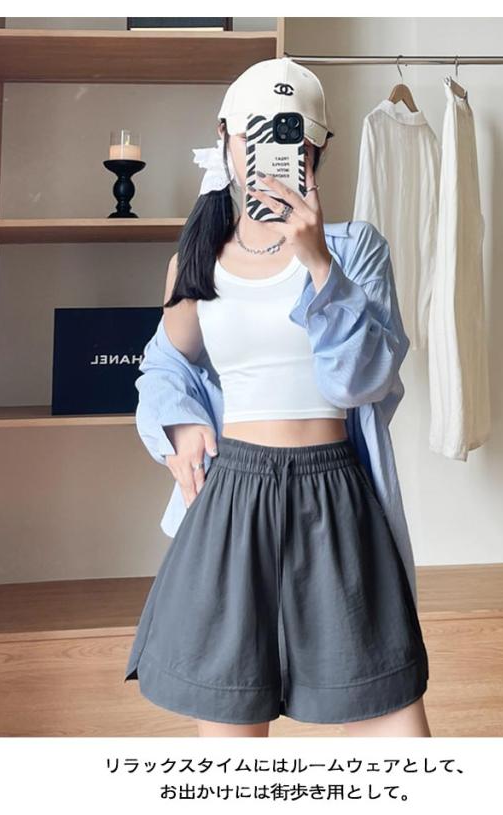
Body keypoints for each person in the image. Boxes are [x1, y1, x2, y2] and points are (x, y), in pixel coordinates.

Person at [125, 57, 431, 738]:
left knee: (393, 727)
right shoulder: (196, 258)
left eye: (293, 137)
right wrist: (177, 426)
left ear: (316, 150)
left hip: (337, 495)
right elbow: (163, 363)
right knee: (232, 740)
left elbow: (361, 381)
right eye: (254, 135)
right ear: (226, 139)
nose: (269, 153)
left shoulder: (355, 250)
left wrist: (318, 262)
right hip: (232, 494)